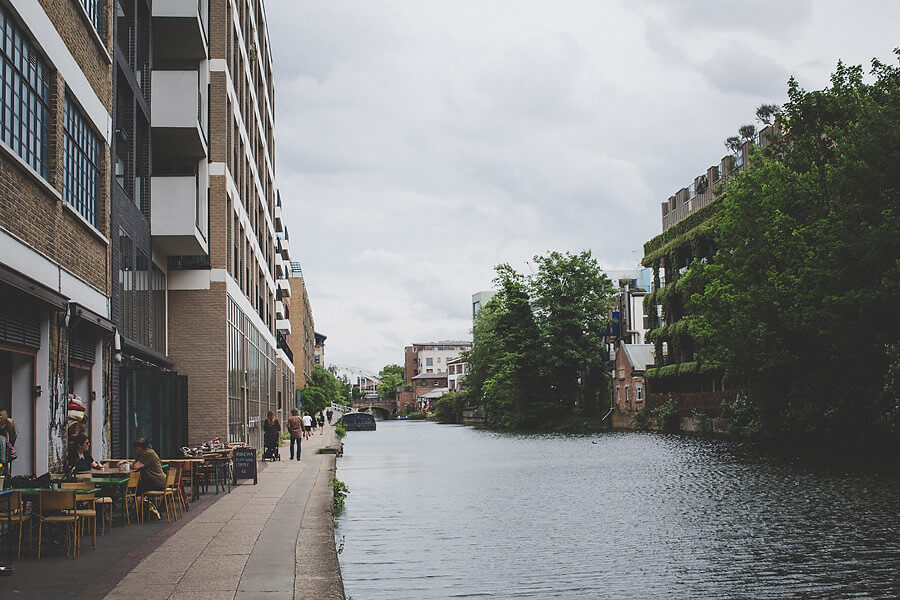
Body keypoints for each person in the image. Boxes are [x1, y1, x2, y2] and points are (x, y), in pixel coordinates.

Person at [119, 438, 166, 519]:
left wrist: (126, 463)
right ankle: (139, 510)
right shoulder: (146, 453)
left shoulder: (147, 454)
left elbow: (136, 466)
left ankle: (137, 513)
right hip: (157, 480)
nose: (134, 450)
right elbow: (136, 464)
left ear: (141, 447)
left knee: (137, 489)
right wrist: (126, 462)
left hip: (156, 481)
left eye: (136, 448)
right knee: (137, 487)